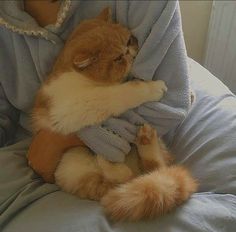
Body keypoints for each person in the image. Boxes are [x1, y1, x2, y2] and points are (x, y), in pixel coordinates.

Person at [0, 0, 193, 229]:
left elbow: (172, 97)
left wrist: (60, 140)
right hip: (32, 159)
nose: (130, 56)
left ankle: (147, 173)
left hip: (103, 149)